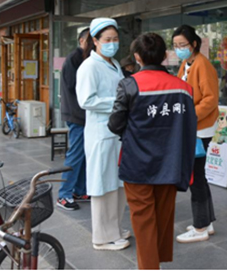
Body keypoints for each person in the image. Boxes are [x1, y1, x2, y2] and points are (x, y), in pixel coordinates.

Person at [108, 33, 198, 269]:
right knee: (162, 217)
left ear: (137, 57)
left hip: (137, 164)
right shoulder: (184, 89)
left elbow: (115, 124)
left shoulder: (130, 85)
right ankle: (155, 262)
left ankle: (149, 266)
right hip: (170, 163)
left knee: (143, 220)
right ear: (165, 55)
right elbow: (190, 129)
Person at [76, 18, 130, 251]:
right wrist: (119, 103)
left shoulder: (114, 63)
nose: (112, 44)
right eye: (107, 39)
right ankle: (102, 237)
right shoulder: (89, 66)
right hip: (101, 133)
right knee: (103, 185)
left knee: (117, 183)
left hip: (116, 133)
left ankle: (114, 228)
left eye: (115, 39)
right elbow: (86, 100)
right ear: (95, 41)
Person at [173, 25, 219, 243]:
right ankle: (206, 222)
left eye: (182, 44)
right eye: (175, 45)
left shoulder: (202, 64)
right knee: (199, 175)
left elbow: (210, 99)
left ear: (193, 44)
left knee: (195, 177)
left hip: (200, 128)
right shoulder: (187, 63)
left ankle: (200, 227)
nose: (179, 49)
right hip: (194, 126)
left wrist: (190, 115)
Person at [57, 27, 91, 211]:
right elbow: (73, 85)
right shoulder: (74, 58)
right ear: (81, 40)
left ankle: (80, 190)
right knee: (76, 154)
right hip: (76, 115)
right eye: (90, 40)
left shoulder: (85, 58)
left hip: (82, 115)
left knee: (83, 155)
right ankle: (64, 195)